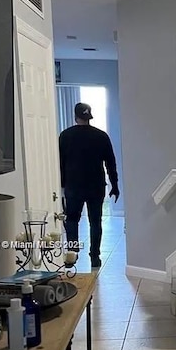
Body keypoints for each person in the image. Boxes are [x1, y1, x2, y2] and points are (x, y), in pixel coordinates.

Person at [59, 102, 120, 269]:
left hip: (73, 186)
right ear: (89, 116)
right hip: (96, 186)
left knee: (72, 220)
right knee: (95, 222)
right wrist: (114, 185)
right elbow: (111, 163)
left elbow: (60, 163)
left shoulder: (65, 136)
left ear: (75, 116)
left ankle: (72, 255)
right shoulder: (101, 136)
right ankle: (95, 256)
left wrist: (61, 185)